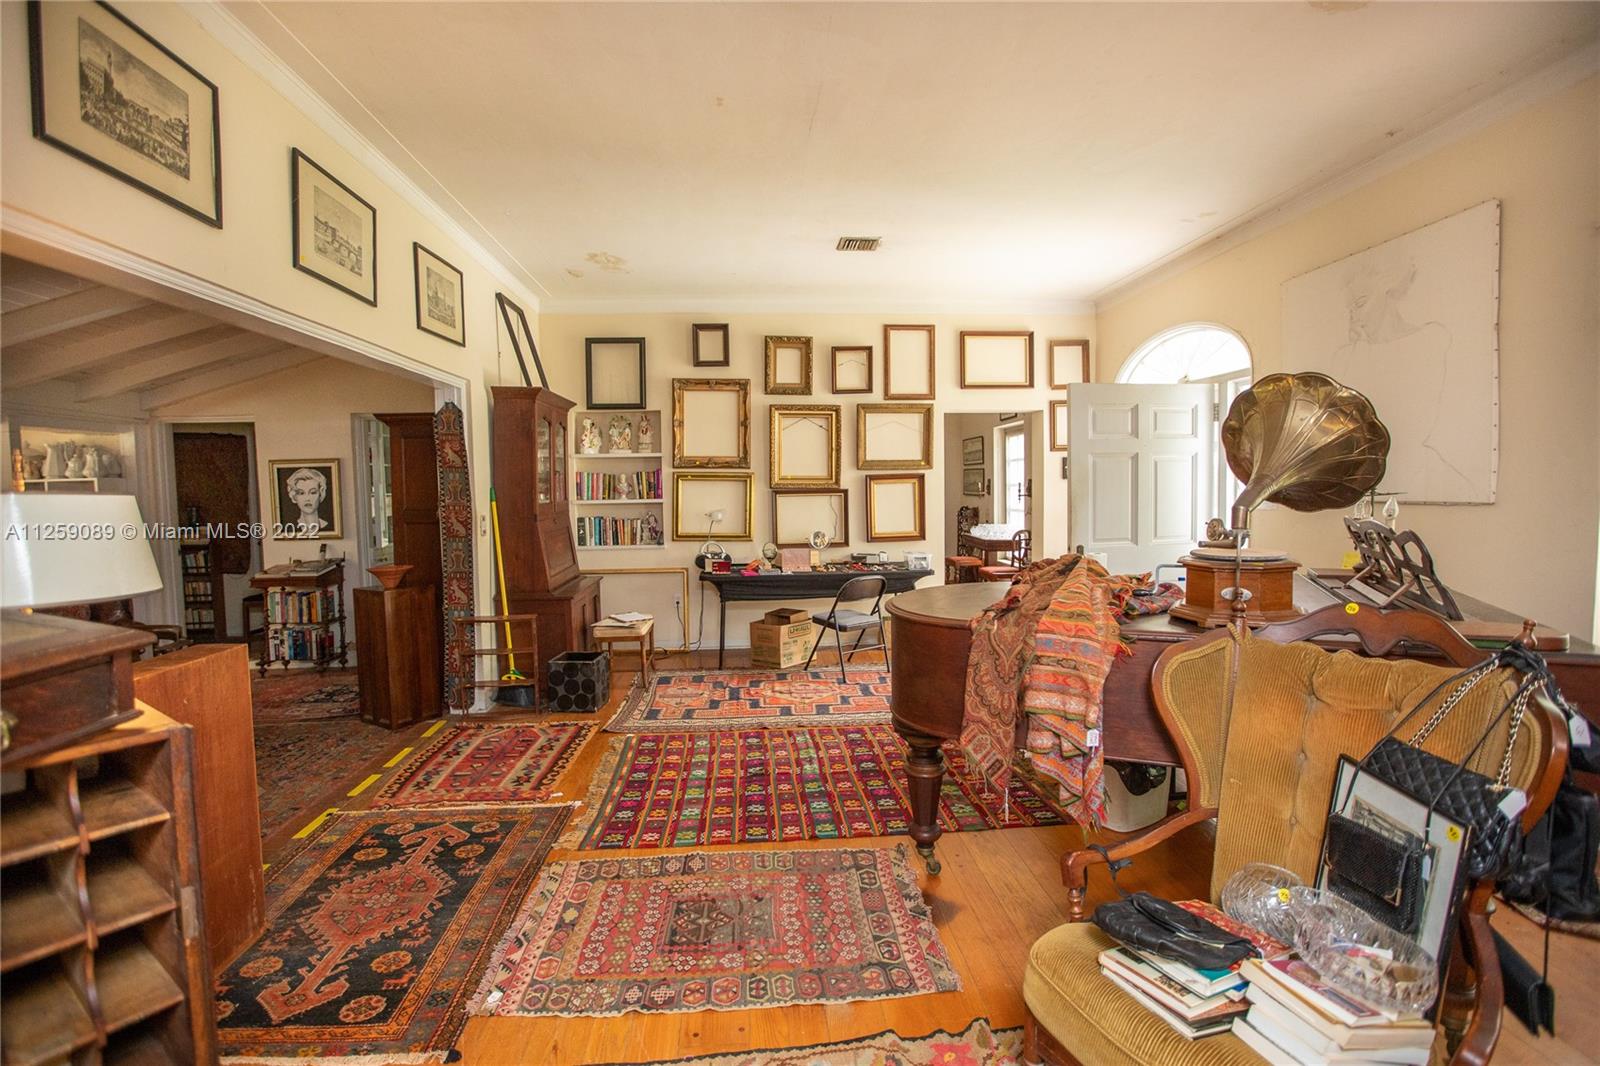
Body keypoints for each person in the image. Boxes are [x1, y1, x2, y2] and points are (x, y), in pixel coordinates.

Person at [283, 467, 330, 536]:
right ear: (294, 496)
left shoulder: (330, 526)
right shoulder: (289, 529)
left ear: (321, 494)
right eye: (301, 493)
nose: (307, 498)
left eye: (313, 492)